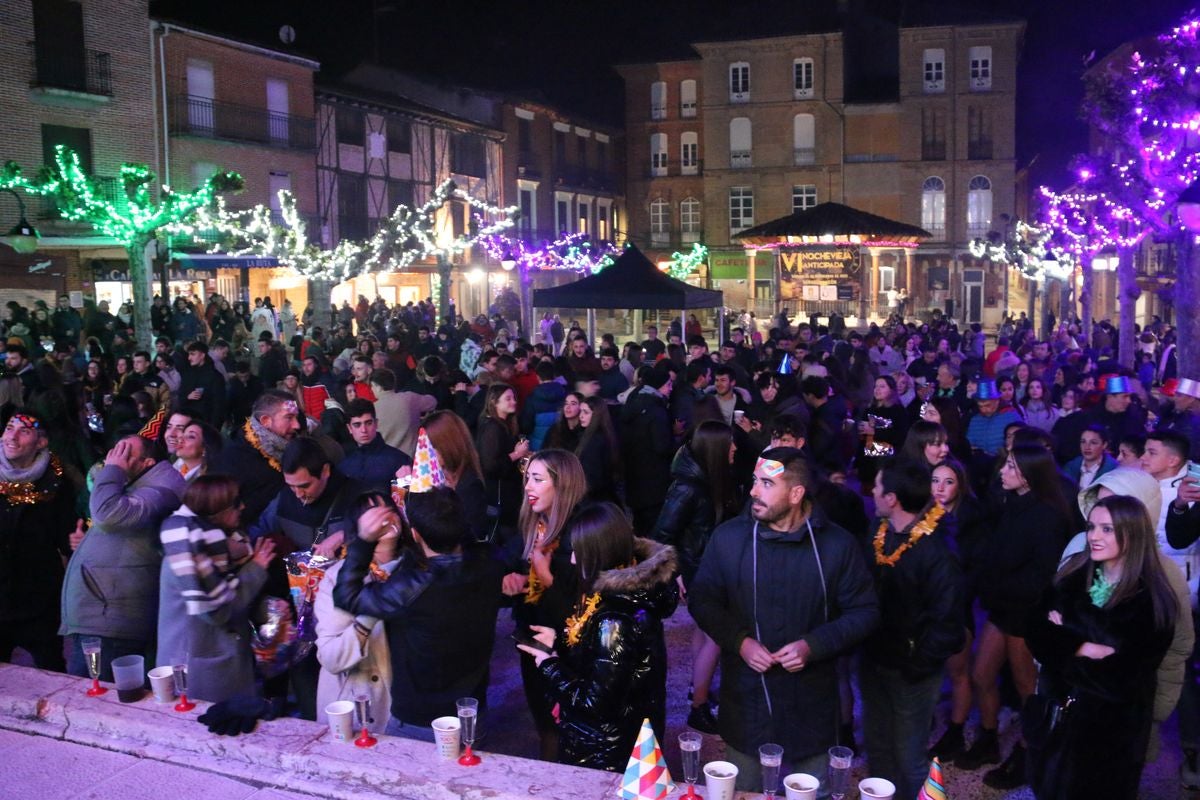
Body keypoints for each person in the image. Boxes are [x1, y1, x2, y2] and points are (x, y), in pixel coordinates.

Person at [689, 448, 880, 790]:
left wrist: (814, 645)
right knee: (743, 792)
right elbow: (703, 600)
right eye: (754, 481)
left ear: (796, 494)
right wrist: (739, 642)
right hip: (747, 703)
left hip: (813, 706)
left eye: (766, 483)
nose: (753, 492)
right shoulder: (728, 538)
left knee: (812, 791)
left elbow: (865, 612)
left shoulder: (838, 546)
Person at [1026, 495, 1178, 799]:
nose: (1094, 536)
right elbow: (1035, 633)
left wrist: (1063, 641)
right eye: (1092, 526)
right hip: (1057, 718)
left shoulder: (1150, 601)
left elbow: (1121, 679)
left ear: (1132, 534)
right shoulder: (1072, 575)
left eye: (1107, 529)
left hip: (1108, 737)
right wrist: (1084, 647)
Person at [333, 485, 504, 741]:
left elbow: (346, 596)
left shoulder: (411, 586)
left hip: (419, 721)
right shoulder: (489, 564)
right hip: (470, 712)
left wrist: (365, 541)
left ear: (414, 533)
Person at [519, 502, 679, 771]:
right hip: (628, 742)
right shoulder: (621, 596)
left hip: (607, 755)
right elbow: (606, 667)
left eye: (579, 553)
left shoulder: (615, 619)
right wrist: (559, 641)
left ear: (599, 555)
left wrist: (549, 663)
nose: (572, 560)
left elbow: (594, 703)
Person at [961, 444, 1074, 787]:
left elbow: (1040, 577)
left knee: (1027, 690)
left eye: (1010, 467)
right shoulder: (1013, 503)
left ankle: (1027, 754)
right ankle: (989, 738)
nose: (1002, 472)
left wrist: (996, 588)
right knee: (981, 675)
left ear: (1028, 474)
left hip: (1026, 613)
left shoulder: (1048, 515)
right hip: (1002, 607)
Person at [862, 460, 964, 800]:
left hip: (911, 671)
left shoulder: (937, 551)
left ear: (892, 498)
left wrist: (915, 665)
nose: (872, 493)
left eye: (877, 487)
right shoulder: (879, 531)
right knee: (878, 748)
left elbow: (948, 624)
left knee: (909, 757)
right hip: (875, 659)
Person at [61, 434, 186, 680]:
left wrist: (112, 471)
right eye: (115, 450)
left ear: (147, 463)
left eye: (125, 452)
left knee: (92, 700)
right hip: (102, 613)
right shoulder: (138, 484)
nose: (114, 458)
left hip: (110, 620)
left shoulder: (161, 490)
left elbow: (109, 516)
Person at [156, 475, 276, 702]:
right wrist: (256, 568)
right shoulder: (189, 554)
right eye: (235, 503)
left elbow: (232, 588)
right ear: (217, 511)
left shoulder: (221, 546)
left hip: (217, 663)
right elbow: (219, 610)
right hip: (197, 670)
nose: (243, 506)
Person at [653, 420, 739, 734]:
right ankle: (698, 706)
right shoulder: (688, 486)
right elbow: (662, 534)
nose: (735, 448)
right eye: (730, 444)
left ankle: (697, 688)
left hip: (708, 568)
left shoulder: (709, 478)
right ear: (715, 449)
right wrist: (676, 573)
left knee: (704, 632)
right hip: (699, 571)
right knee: (717, 634)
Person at [503, 449, 589, 760]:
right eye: (527, 478)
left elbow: (589, 603)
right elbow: (506, 562)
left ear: (563, 484)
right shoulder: (534, 524)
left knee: (568, 728)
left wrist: (547, 578)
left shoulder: (582, 532)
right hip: (531, 639)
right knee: (544, 723)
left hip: (568, 648)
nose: (528, 487)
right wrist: (513, 581)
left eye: (538, 480)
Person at [314, 491, 400, 735]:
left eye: (389, 509)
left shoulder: (413, 570)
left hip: (404, 706)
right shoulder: (339, 579)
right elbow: (331, 658)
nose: (385, 517)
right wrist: (367, 619)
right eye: (373, 514)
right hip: (355, 703)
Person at [927, 457, 993, 763]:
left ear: (961, 485)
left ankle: (955, 731)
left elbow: (976, 572)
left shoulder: (974, 520)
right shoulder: (926, 516)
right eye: (935, 481)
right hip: (927, 606)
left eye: (948, 481)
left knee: (958, 671)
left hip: (956, 606)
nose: (940, 488)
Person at [0, 412, 75, 671]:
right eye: (9, 428)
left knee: (51, 670)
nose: (12, 436)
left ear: (41, 442)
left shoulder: (56, 483)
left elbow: (66, 536)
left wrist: (76, 541)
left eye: (24, 431)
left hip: (38, 599)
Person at [215, 390, 302, 524]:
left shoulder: (296, 447)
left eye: (297, 417)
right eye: (289, 418)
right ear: (265, 421)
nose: (297, 425)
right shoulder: (232, 458)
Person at [621, 366, 676, 535]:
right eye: (668, 385)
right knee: (652, 529)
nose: (671, 388)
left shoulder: (633, 401)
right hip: (653, 481)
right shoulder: (656, 410)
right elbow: (662, 446)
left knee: (639, 525)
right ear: (658, 386)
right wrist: (677, 437)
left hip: (634, 477)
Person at [422, 410, 490, 544]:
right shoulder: (442, 477)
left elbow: (470, 537)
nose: (425, 454)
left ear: (447, 446)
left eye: (429, 447)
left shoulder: (469, 486)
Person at [476, 383, 530, 547]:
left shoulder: (507, 425)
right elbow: (490, 465)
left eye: (514, 398)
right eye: (508, 398)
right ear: (494, 402)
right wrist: (517, 454)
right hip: (499, 494)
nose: (513, 401)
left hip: (510, 491)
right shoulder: (492, 427)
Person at [336, 398, 411, 491]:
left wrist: (405, 484)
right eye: (357, 425)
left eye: (368, 423)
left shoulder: (400, 460)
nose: (363, 430)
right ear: (349, 428)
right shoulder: (343, 466)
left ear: (376, 423)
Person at [371, 368, 436, 459]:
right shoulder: (409, 398)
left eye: (372, 386)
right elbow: (432, 402)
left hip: (386, 461)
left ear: (378, 387)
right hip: (413, 458)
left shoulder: (372, 409)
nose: (372, 389)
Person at [574, 396, 620, 503]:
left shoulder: (595, 441)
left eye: (586, 412)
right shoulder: (603, 435)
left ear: (596, 415)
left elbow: (593, 479)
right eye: (580, 411)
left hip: (593, 499)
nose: (580, 416)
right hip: (600, 497)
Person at [1064, 424, 1119, 490]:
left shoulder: (1114, 470)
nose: (1087, 447)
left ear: (1104, 445)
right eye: (1083, 442)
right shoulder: (1070, 467)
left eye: (1093, 442)